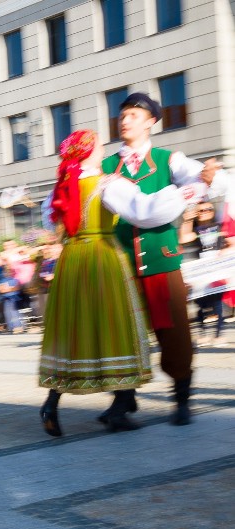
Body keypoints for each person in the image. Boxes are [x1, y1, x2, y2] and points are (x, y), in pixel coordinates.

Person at [100, 92, 232, 426]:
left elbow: (211, 181)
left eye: (133, 114)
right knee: (121, 333)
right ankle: (123, 399)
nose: (125, 120)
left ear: (151, 122)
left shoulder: (169, 159)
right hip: (119, 263)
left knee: (173, 330)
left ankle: (181, 397)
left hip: (162, 259)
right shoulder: (104, 166)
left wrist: (209, 178)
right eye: (123, 114)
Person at [39, 130, 153, 435]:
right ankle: (119, 408)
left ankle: (52, 403)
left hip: (72, 258)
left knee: (74, 329)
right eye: (100, 145)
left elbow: (51, 220)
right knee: (115, 324)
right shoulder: (108, 184)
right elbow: (142, 212)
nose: (104, 149)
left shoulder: (62, 187)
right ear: (89, 151)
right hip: (102, 257)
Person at [179, 201, 229, 346]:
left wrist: (223, 254)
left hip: (217, 269)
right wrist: (188, 219)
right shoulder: (195, 230)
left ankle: (219, 334)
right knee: (201, 303)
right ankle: (202, 334)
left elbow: (230, 242)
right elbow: (183, 238)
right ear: (196, 214)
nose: (205, 211)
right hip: (200, 272)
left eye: (209, 209)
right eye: (201, 210)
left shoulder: (219, 226)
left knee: (218, 303)